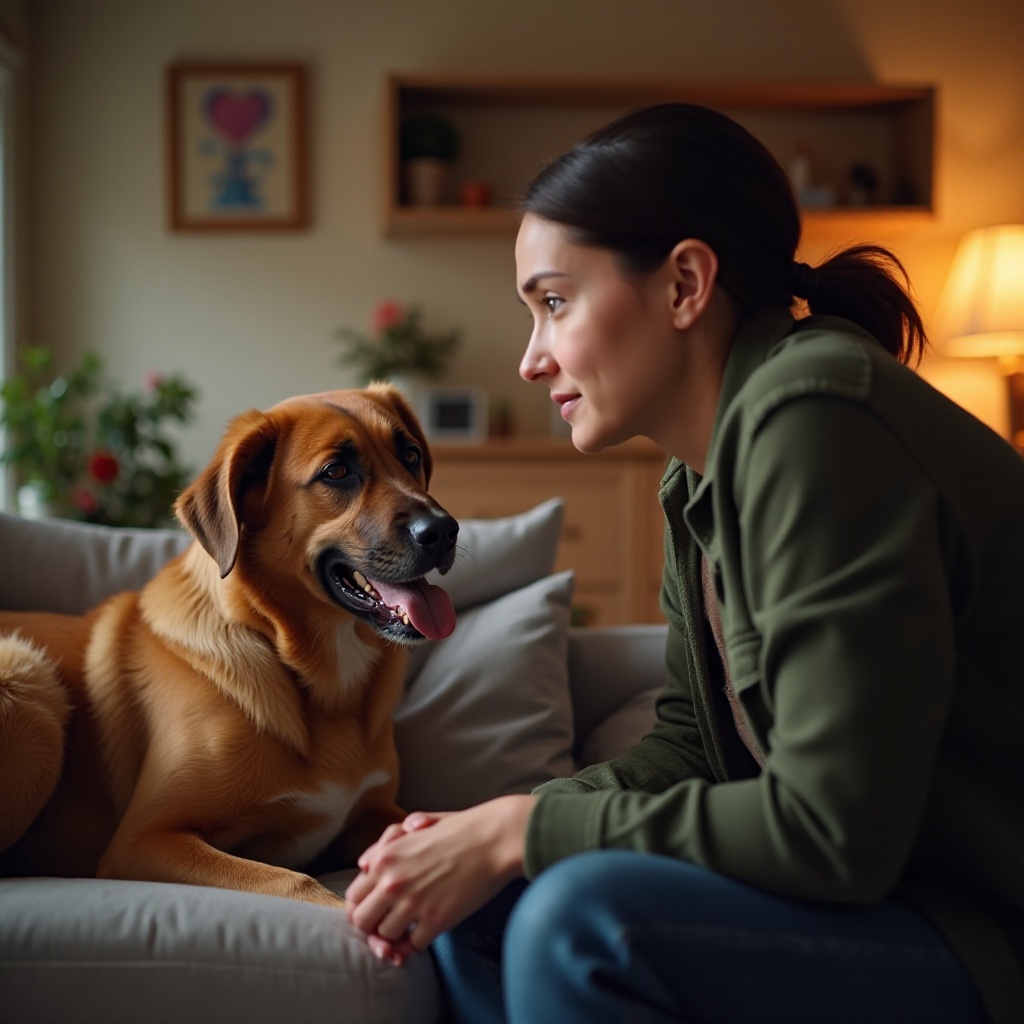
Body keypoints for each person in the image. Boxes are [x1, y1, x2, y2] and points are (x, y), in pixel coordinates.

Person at [345, 103, 1024, 1024]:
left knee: (577, 922)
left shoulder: (816, 418)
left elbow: (833, 832)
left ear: (684, 285)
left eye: (553, 302)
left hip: (978, 927)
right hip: (889, 905)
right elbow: (695, 744)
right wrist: (479, 833)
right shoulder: (698, 475)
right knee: (480, 912)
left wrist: (525, 831)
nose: (531, 359)